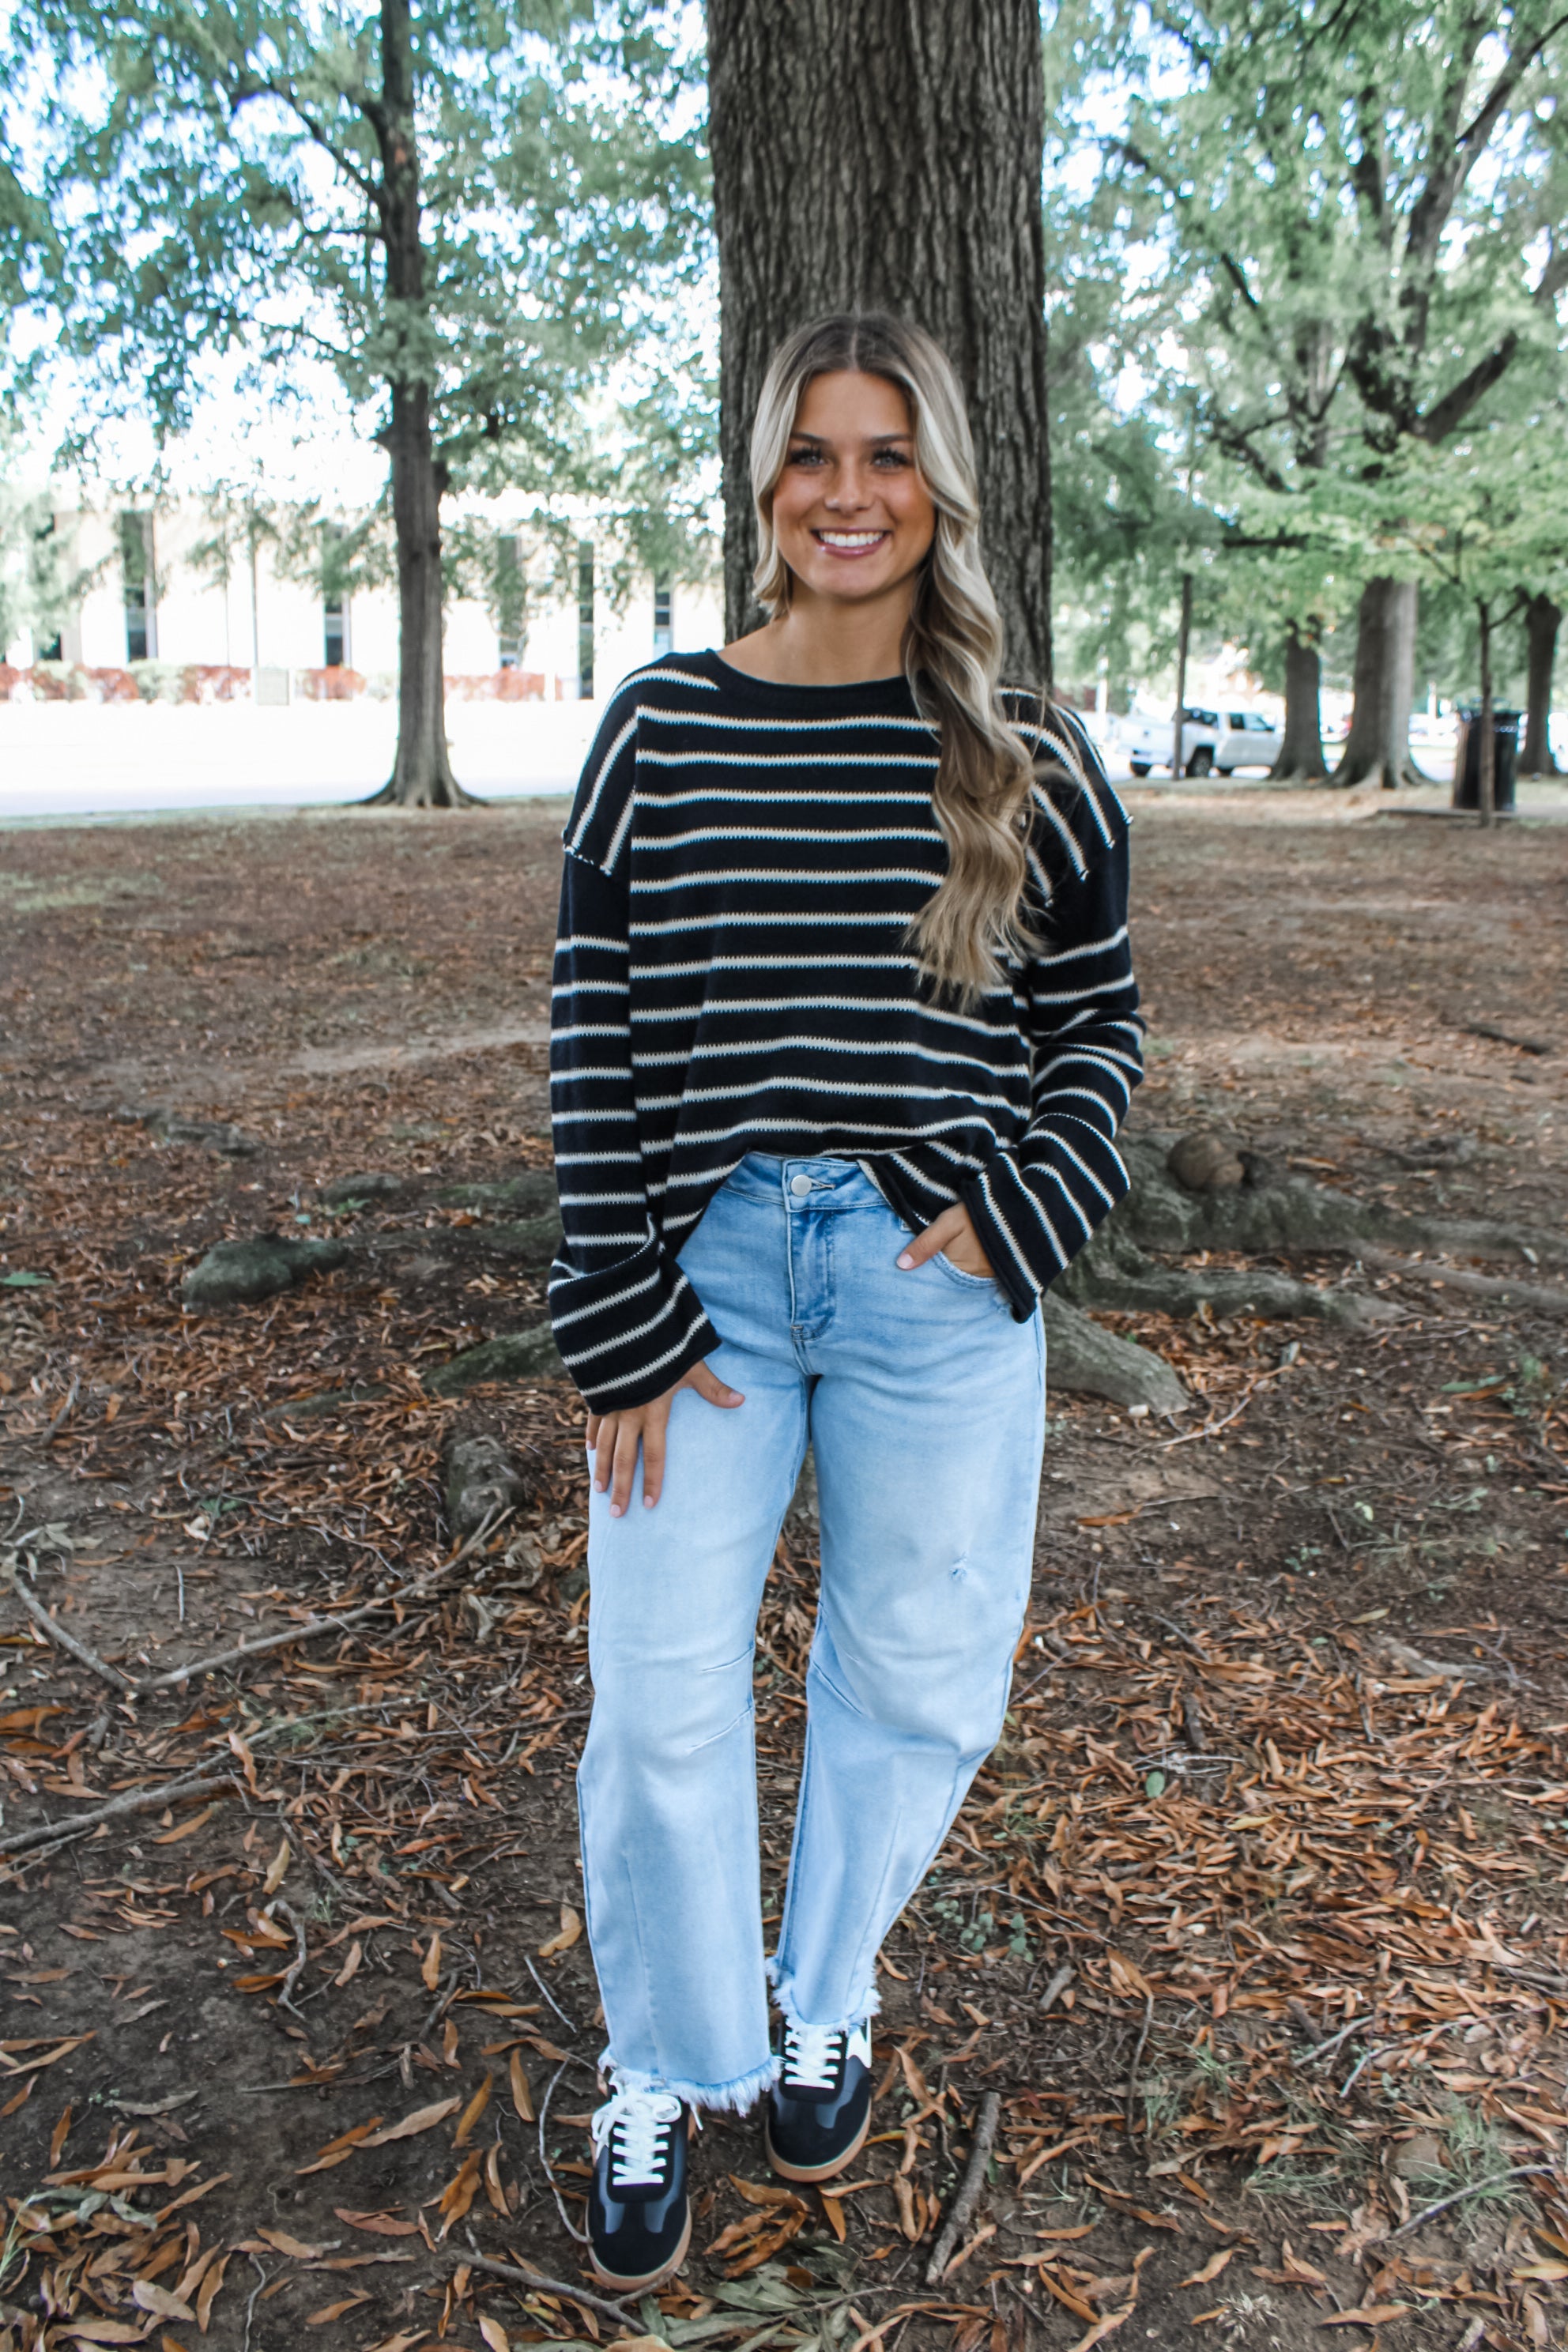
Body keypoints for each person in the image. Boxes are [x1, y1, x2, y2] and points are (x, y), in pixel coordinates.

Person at [548, 311, 1141, 2291]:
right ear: (763, 482)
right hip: (702, 1284)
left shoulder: (1026, 752)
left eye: (886, 454)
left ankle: (821, 2000)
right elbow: (594, 1030)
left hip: (930, 1290)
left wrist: (1020, 1211)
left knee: (915, 1679)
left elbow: (1097, 1029)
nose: (847, 492)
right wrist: (614, 1305)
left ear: (938, 485)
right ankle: (661, 2060)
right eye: (811, 452)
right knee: (656, 1694)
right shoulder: (659, 727)